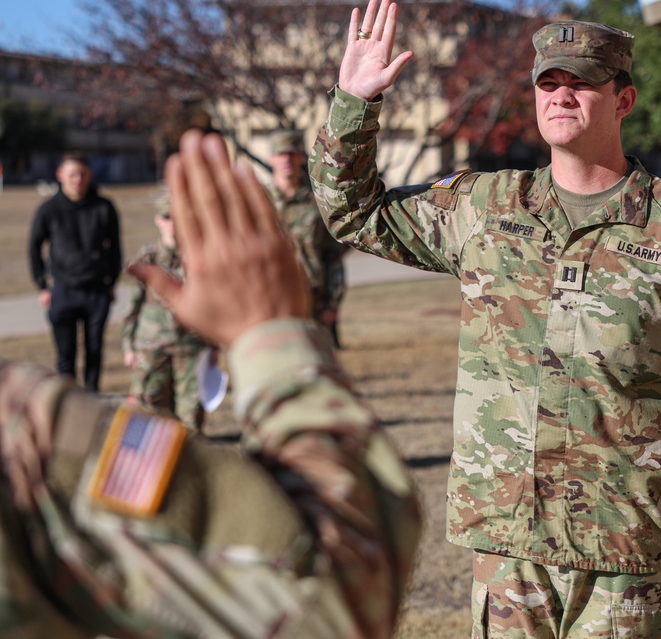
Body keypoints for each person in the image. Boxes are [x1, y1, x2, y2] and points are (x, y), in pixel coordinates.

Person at [309, 0, 661, 638]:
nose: (561, 95)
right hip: (508, 548)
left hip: (626, 554)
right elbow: (351, 212)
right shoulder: (487, 209)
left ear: (623, 100)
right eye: (548, 83)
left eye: (581, 83)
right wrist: (355, 102)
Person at [0, 129, 421, 638]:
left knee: (185, 417)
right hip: (204, 338)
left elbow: (334, 260)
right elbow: (334, 594)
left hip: (200, 347)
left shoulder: (308, 210)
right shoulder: (21, 432)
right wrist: (271, 333)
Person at [28, 152, 122, 392]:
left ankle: (92, 402)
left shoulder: (104, 207)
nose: (77, 179)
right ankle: (68, 406)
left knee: (94, 352)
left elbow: (115, 247)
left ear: (89, 175)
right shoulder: (49, 209)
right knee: (65, 357)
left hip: (96, 291)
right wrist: (42, 285)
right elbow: (34, 246)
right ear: (60, 176)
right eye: (72, 174)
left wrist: (112, 282)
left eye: (81, 174)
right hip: (63, 291)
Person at [120, 191, 214, 432]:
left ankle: (189, 467)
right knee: (148, 412)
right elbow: (133, 304)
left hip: (192, 347)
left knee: (191, 416)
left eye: (178, 217)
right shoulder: (147, 258)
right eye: (167, 217)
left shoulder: (201, 258)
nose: (172, 223)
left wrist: (214, 346)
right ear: (158, 221)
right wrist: (128, 346)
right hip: (152, 347)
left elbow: (213, 306)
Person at [267, 129, 348, 348]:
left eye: (292, 153)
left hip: (314, 301)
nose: (286, 159)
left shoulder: (319, 201)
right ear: (270, 158)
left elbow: (333, 257)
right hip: (272, 302)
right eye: (280, 154)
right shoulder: (258, 203)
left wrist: (332, 305)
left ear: (301, 157)